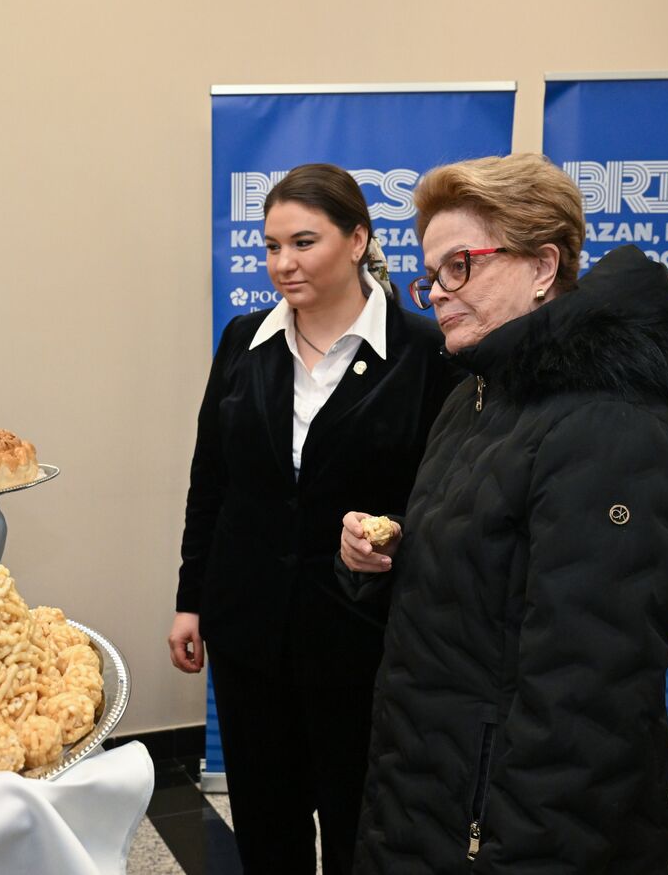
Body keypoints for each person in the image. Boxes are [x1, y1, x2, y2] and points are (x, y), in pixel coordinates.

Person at [338, 153, 668, 874]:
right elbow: (476, 591)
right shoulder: (475, 397)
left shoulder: (615, 429)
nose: (438, 294)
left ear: (544, 266)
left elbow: (587, 709)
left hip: (506, 834)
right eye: (430, 276)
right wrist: (377, 560)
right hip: (425, 796)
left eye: (461, 266)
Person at [169, 164, 459, 874]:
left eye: (303, 241)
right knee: (267, 821)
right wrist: (190, 598)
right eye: (270, 246)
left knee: (360, 816)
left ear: (358, 239)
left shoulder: (425, 353)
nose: (282, 264)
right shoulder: (244, 341)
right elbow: (212, 479)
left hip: (362, 635)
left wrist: (388, 527)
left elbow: (446, 497)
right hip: (249, 631)